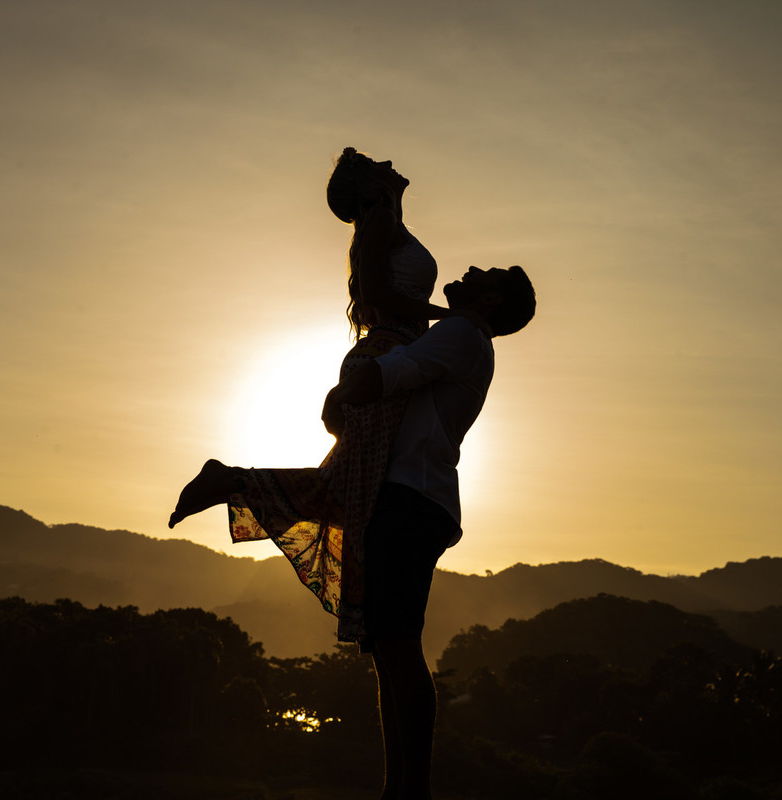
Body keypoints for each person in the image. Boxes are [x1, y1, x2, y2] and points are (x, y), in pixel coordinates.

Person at [168, 148, 454, 645]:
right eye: (375, 162)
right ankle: (232, 480)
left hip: (391, 359)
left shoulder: (387, 222)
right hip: (387, 357)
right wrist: (447, 319)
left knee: (356, 488)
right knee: (352, 490)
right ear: (369, 185)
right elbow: (374, 292)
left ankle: (235, 482)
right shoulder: (383, 219)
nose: (389, 162)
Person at [321, 263, 536, 800]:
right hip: (410, 500)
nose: (468, 269)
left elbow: (395, 372)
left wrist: (341, 393)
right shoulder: (463, 336)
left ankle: (411, 789)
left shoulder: (463, 333)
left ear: (488, 300)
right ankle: (399, 787)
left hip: (410, 501)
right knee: (388, 651)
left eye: (485, 273)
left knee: (397, 646)